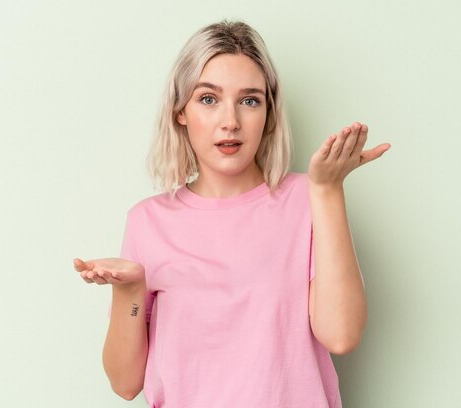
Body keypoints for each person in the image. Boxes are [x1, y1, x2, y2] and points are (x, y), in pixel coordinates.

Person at [74, 20, 390, 407]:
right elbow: (125, 384)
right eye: (209, 99)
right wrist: (130, 292)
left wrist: (327, 190)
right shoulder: (147, 222)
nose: (231, 122)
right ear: (181, 112)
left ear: (269, 114)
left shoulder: (306, 200)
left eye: (249, 100)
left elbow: (342, 334)